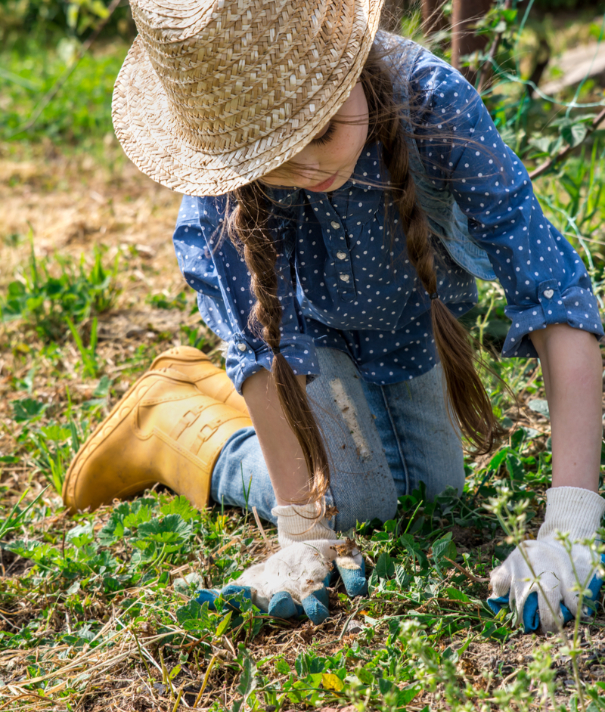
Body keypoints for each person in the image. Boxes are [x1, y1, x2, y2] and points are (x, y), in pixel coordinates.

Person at [63, 0, 605, 633]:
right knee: (354, 509)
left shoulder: (430, 101)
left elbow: (556, 297)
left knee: (434, 498)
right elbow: (259, 347)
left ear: (352, 64)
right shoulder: (224, 165)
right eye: (279, 156)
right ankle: (176, 425)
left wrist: (571, 522)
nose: (312, 167)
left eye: (321, 132)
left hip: (408, 326)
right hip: (305, 337)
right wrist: (301, 529)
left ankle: (227, 409)